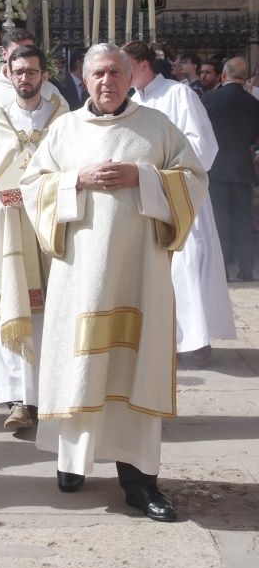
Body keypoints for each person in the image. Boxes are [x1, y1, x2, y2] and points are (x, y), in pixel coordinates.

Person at [21, 44, 207, 522]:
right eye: (98, 73)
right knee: (81, 367)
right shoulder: (63, 130)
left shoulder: (158, 127)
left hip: (139, 277)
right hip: (81, 277)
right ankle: (72, 461)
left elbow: (192, 180)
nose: (107, 81)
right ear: (83, 80)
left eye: (116, 73)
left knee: (132, 370)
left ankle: (140, 480)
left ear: (131, 78)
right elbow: (32, 186)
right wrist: (74, 180)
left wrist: (142, 176)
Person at [0, 46, 66, 430]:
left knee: (48, 310)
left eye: (32, 72)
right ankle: (18, 401)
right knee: (9, 306)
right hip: (6, 228)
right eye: (19, 72)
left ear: (44, 75)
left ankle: (49, 394)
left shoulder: (62, 118)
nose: (25, 78)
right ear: (8, 72)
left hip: (48, 230)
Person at [122, 40, 235, 362]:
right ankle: (164, 339)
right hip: (146, 195)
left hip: (179, 192)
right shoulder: (134, 101)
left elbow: (204, 144)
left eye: (125, 67)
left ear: (143, 65)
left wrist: (164, 171)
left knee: (187, 266)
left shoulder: (177, 94)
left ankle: (195, 341)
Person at [203, 56, 259, 282]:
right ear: (243, 77)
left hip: (215, 167)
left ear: (223, 75)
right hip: (242, 167)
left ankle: (223, 270)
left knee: (219, 221)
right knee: (243, 220)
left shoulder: (209, 99)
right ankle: (247, 269)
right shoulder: (253, 103)